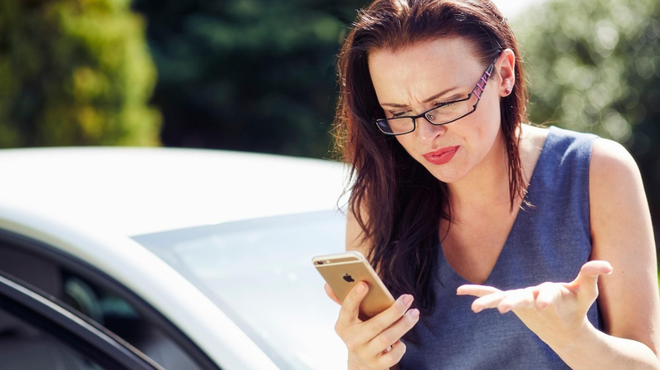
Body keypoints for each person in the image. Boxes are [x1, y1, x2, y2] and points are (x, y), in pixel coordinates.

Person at [324, 0, 660, 369]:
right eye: (399, 114)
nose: (426, 135)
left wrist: (576, 340)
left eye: (448, 103)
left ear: (504, 74)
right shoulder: (378, 200)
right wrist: (361, 360)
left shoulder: (597, 171)